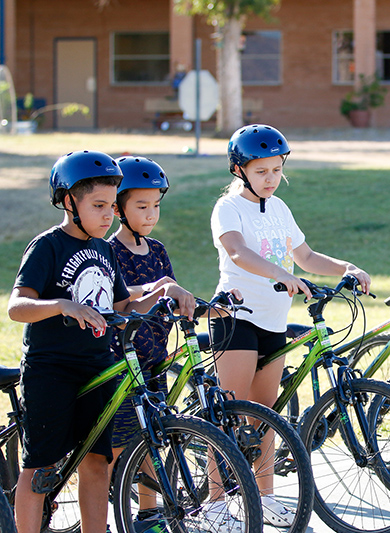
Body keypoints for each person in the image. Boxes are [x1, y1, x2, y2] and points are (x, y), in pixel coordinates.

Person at [6, 151, 188, 533]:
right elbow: (17, 307)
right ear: (70, 202)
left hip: (97, 366)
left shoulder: (104, 249)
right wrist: (61, 305)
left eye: (111, 205)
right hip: (51, 369)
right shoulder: (48, 246)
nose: (109, 215)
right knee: (40, 466)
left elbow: (123, 304)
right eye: (99, 205)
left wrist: (160, 291)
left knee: (95, 463)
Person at [209, 123, 371, 528]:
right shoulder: (228, 208)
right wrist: (279, 276)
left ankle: (265, 498)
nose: (271, 179)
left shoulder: (279, 209)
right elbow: (239, 252)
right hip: (237, 320)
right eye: (262, 171)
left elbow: (306, 256)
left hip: (273, 322)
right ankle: (213, 503)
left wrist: (346, 267)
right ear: (239, 169)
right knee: (226, 415)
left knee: (265, 415)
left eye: (277, 170)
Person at [107, 155, 195, 530]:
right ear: (118, 208)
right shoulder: (111, 250)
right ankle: (99, 515)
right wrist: (161, 288)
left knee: (151, 439)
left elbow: (172, 296)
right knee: (115, 447)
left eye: (156, 205)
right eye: (141, 206)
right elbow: (120, 297)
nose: (151, 213)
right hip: (124, 361)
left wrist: (211, 308)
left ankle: (148, 513)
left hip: (156, 359)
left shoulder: (156, 250)